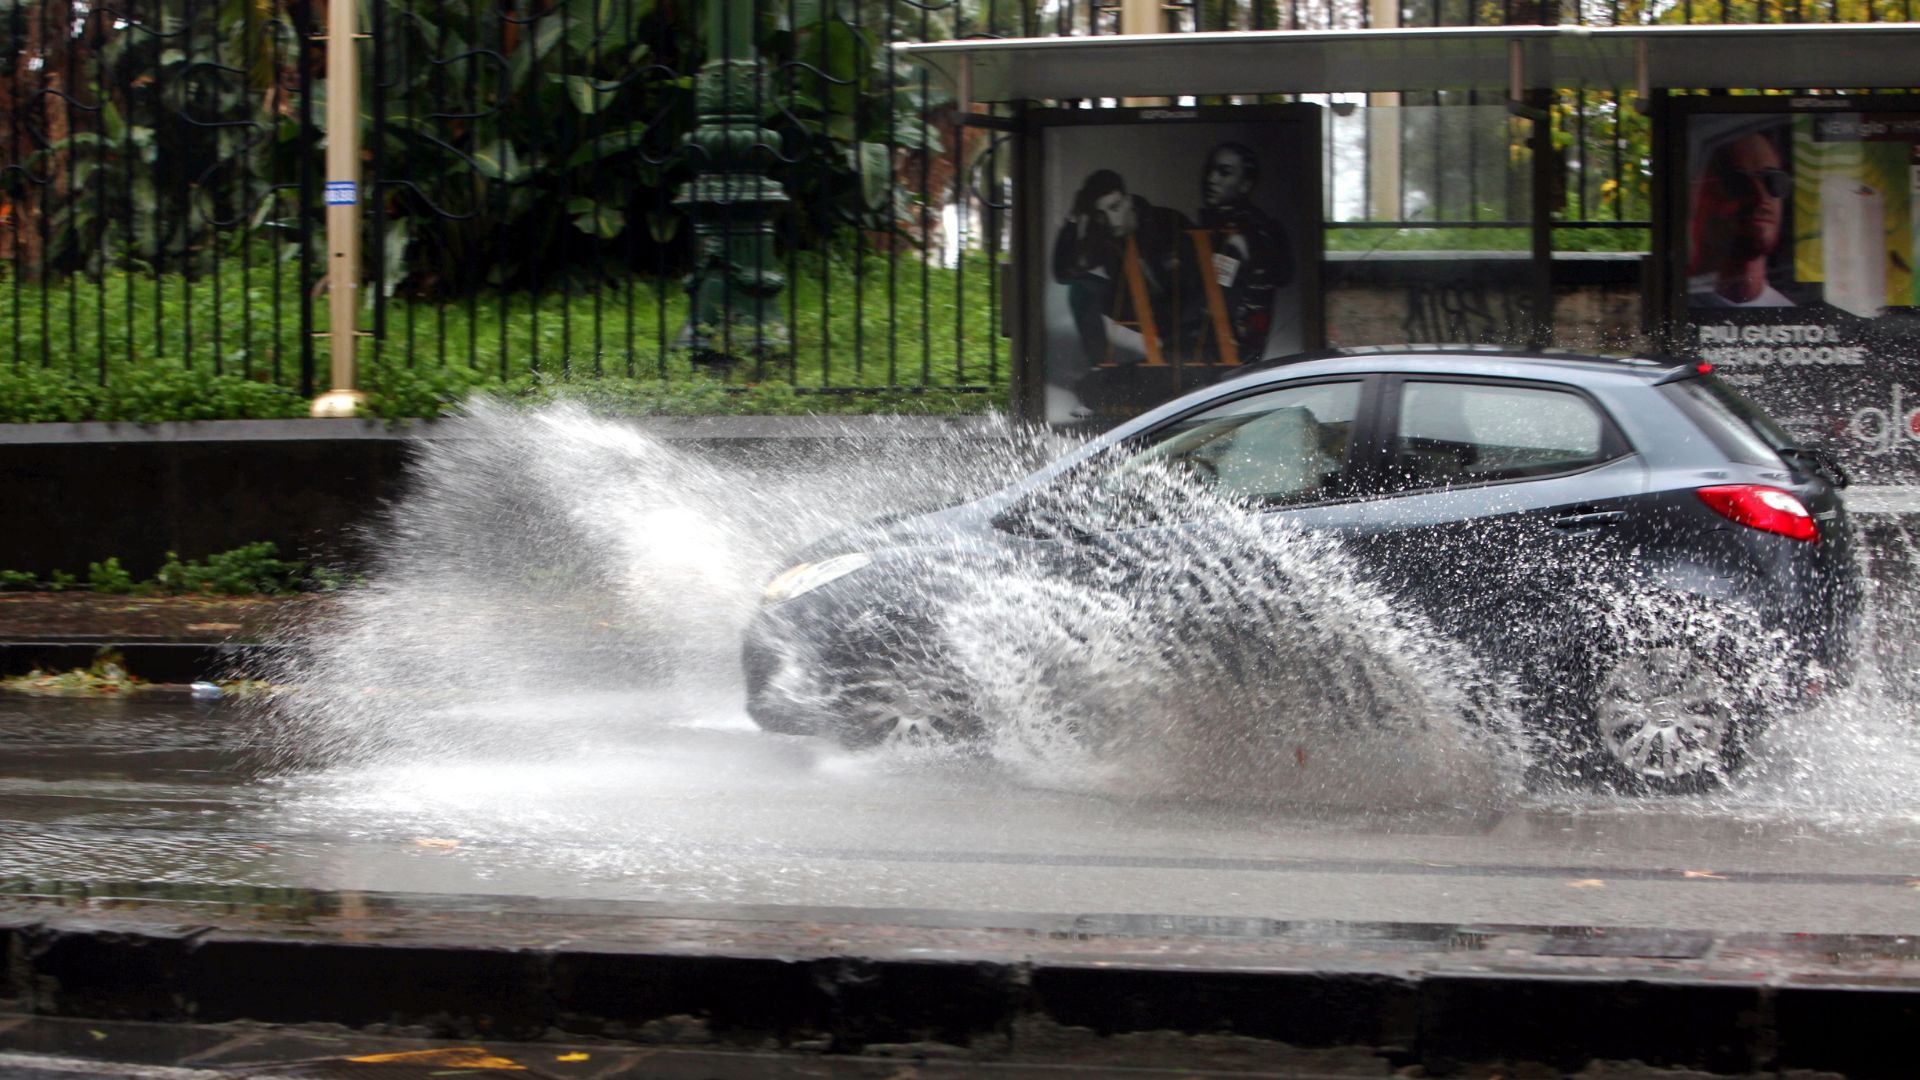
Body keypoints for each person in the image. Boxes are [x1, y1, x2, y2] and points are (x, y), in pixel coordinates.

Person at [1051, 169, 1199, 371]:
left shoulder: (1169, 222)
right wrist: (1073, 218)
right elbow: (1063, 274)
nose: (1113, 220)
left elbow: (1202, 282)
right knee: (1080, 289)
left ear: (1129, 200)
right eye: (1103, 214)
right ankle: (1102, 370)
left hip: (1183, 315)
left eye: (1115, 207)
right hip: (1144, 312)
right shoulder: (1106, 237)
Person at [1196, 142, 1293, 361]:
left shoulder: (1239, 233)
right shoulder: (1247, 226)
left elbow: (1214, 298)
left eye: (1224, 173)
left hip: (1228, 350)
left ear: (1245, 185)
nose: (1211, 179)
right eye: (1210, 170)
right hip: (1239, 348)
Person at [1688, 130, 1794, 307]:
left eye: (1773, 181)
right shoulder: (1683, 306)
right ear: (1698, 198)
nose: (1761, 198)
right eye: (1737, 181)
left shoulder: (1791, 317)